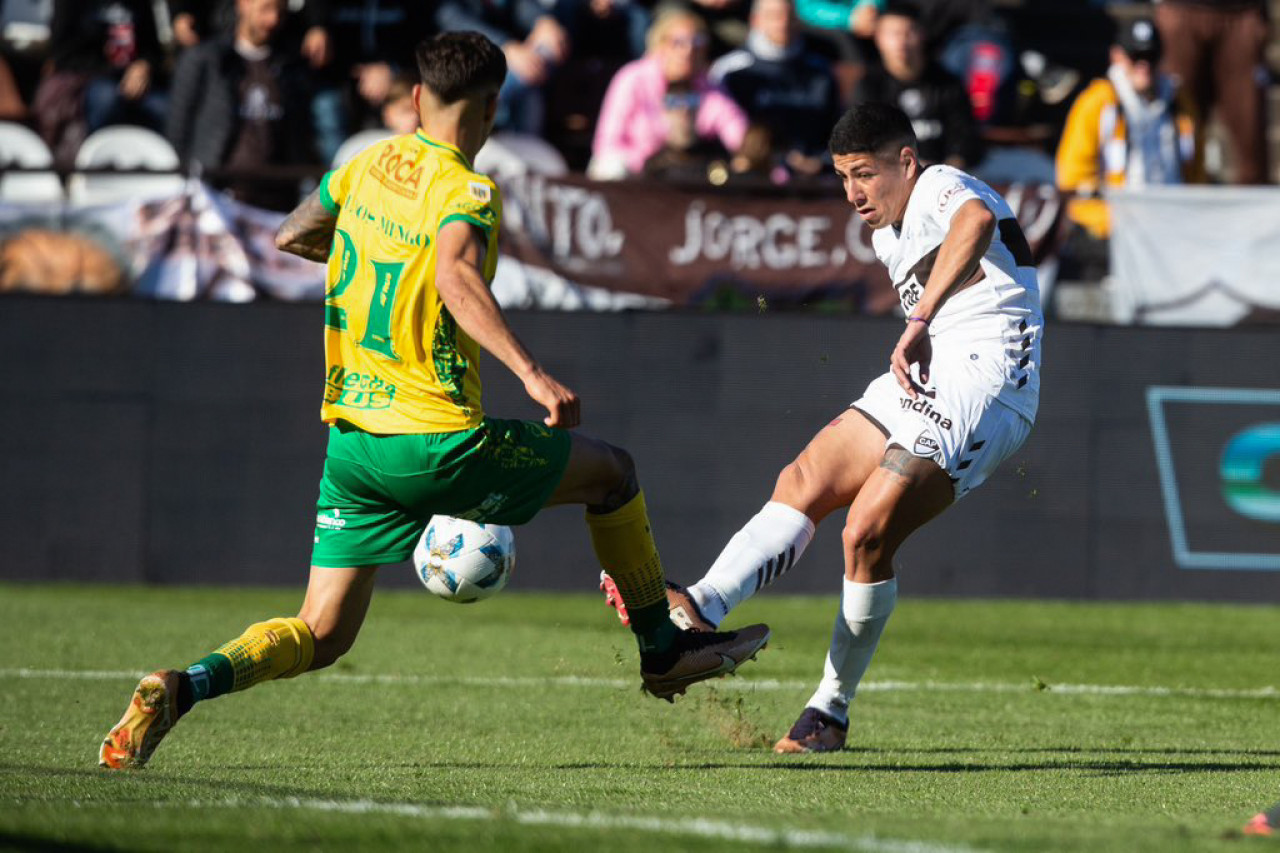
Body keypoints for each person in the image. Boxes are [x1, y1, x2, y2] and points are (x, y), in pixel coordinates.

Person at [98, 30, 769, 771]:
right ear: (491, 109)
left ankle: (181, 685)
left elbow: (295, 233)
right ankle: (662, 650)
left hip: (354, 445)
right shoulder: (469, 189)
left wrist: (376, 256)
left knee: (321, 632)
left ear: (417, 98)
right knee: (613, 472)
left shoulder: (364, 165)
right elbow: (453, 273)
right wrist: (531, 372)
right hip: (437, 440)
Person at [603, 101, 1042, 753]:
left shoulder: (941, 184)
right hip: (927, 369)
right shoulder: (885, 232)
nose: (852, 193)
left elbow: (976, 222)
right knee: (804, 477)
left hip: (989, 382)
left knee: (865, 531)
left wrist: (918, 321)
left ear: (905, 161)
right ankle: (697, 611)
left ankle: (828, 710)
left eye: (864, 173)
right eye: (842, 176)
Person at [1054, 17, 1201, 280]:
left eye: (1151, 57)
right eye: (1136, 56)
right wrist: (1113, 224)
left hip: (1173, 230)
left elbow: (1196, 172)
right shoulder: (1096, 103)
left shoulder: (1179, 103)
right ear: (1118, 56)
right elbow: (1072, 182)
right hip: (1113, 235)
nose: (1144, 66)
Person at [166, 0, 315, 211]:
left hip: (275, 204)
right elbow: (178, 129)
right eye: (265, 9)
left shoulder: (290, 67)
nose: (272, 20)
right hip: (216, 199)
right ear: (243, 5)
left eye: (280, 12)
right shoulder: (206, 60)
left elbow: (301, 136)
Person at [590, 7, 748, 179]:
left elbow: (735, 127)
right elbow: (606, 144)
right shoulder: (633, 78)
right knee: (611, 167)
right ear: (660, 44)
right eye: (678, 42)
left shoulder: (708, 87)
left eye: (697, 42)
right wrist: (648, 162)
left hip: (685, 176)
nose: (688, 51)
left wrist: (750, 157)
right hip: (635, 174)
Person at [710, 0, 842, 179]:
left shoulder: (821, 72)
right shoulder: (730, 71)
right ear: (756, 20)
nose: (783, 23)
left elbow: (836, 132)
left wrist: (820, 163)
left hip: (810, 181)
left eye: (790, 16)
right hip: (745, 179)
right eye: (774, 16)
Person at [853, 1, 982, 170]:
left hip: (945, 178)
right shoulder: (870, 86)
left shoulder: (948, 83)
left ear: (923, 34)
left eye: (909, 32)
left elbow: (964, 135)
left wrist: (948, 170)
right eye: (893, 34)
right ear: (878, 38)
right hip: (891, 177)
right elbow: (863, 141)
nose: (902, 41)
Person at [1154, 0, 1268, 184]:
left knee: (1250, 138)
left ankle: (1256, 210)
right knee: (1173, 125)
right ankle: (1171, 208)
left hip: (1242, 12)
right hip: (1179, 11)